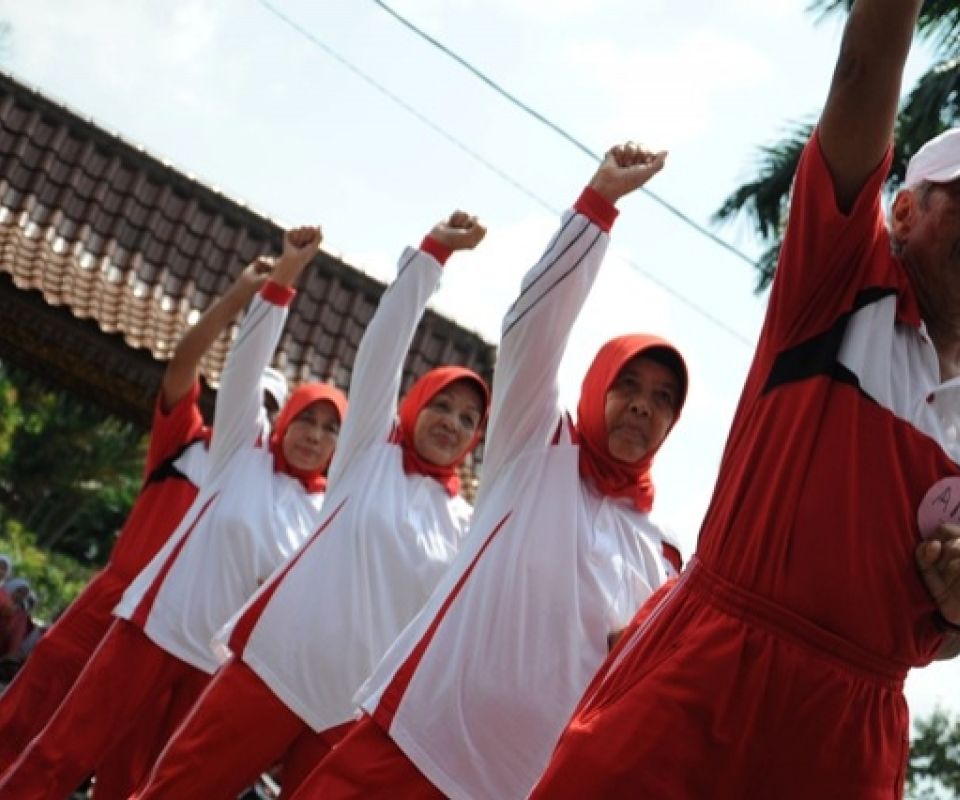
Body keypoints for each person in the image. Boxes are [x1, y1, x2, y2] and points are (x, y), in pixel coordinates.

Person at [531, 2, 960, 796]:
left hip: (847, 741)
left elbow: (941, 639)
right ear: (905, 209)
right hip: (705, 675)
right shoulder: (840, 284)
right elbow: (863, 72)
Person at [290, 143, 686, 800]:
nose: (644, 404)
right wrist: (597, 207)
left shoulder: (663, 554)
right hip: (413, 738)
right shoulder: (537, 446)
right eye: (629, 384)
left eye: (664, 398)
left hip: (512, 786)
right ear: (596, 390)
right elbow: (531, 328)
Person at [135, 211, 491, 799]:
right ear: (413, 405)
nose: (451, 423)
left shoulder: (463, 524)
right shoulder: (367, 455)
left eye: (467, 419)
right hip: (274, 670)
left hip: (344, 715)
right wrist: (433, 256)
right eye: (442, 406)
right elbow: (383, 347)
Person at [0, 226, 348, 800]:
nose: (310, 434)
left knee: (134, 784)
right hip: (140, 616)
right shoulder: (211, 449)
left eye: (329, 427)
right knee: (46, 742)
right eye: (303, 418)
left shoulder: (316, 510)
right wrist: (274, 283)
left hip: (207, 665)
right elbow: (212, 364)